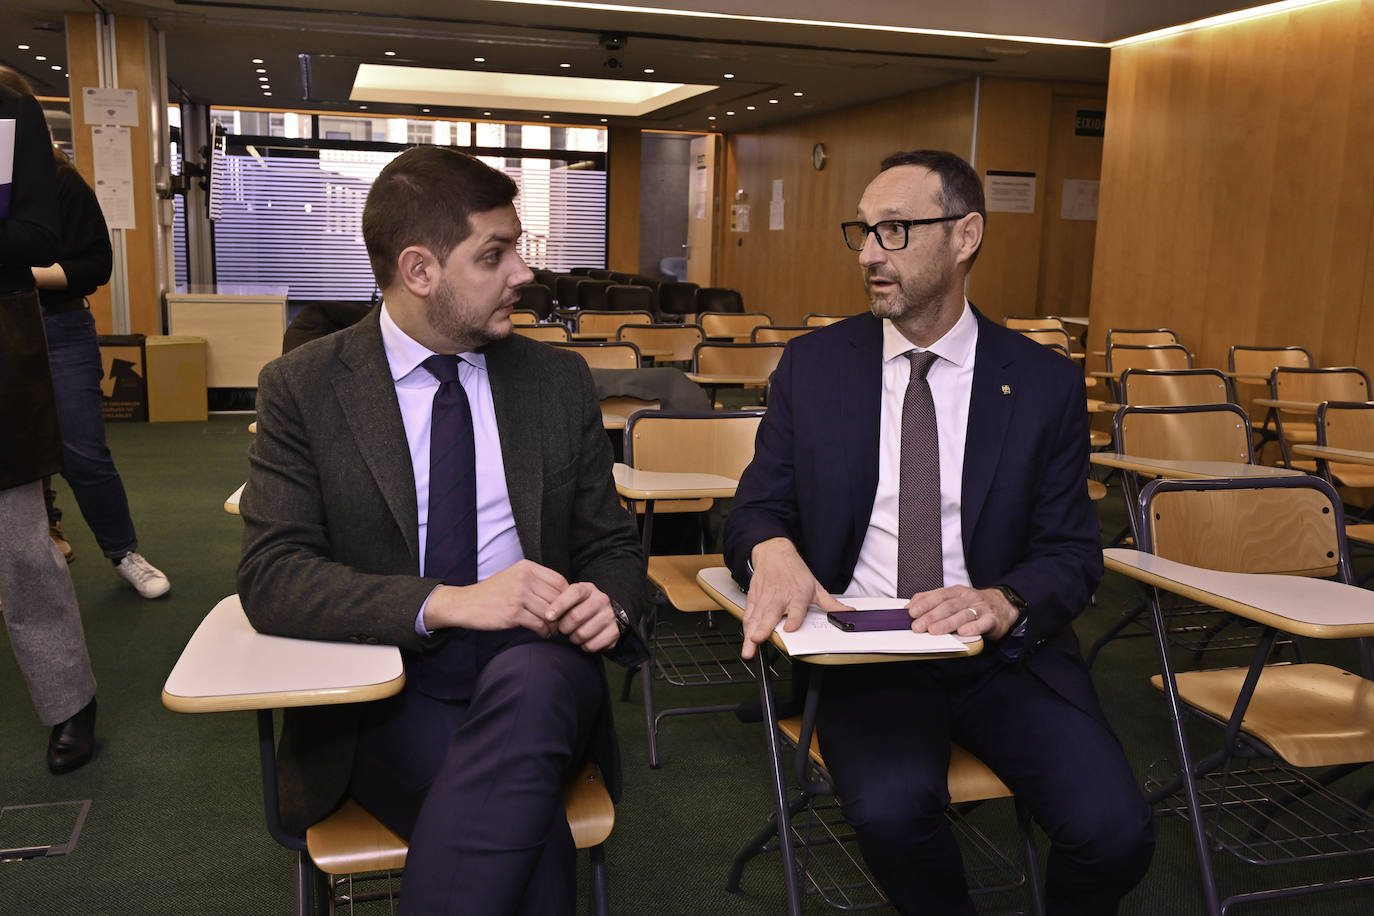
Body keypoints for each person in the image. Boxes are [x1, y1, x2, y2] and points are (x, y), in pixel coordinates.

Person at [723, 150, 1154, 915]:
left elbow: (1071, 552)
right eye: (863, 231)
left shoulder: (1043, 384)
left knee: (1116, 833)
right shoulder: (815, 367)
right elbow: (756, 507)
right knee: (893, 813)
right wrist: (773, 551)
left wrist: (1003, 600)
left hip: (1003, 655)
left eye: (894, 231)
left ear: (965, 237)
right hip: (869, 649)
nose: (867, 253)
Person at [237, 146, 646, 914]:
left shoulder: (555, 381)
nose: (523, 273)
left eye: (517, 247)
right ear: (419, 270)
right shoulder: (304, 387)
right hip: (391, 687)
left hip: (540, 663)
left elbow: (611, 547)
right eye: (494, 255)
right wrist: (450, 602)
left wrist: (608, 602)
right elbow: (273, 575)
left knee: (532, 682)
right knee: (529, 846)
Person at [21, 113, 170, 597]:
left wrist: (20, 275)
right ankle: (32, 548)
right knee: (14, 456)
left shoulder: (60, 183)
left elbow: (93, 266)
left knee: (83, 451)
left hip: (57, 326)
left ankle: (124, 552)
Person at [0, 72, 99, 774]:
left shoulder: (7, 109)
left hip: (5, 351)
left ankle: (70, 701)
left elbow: (36, 237)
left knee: (20, 550)